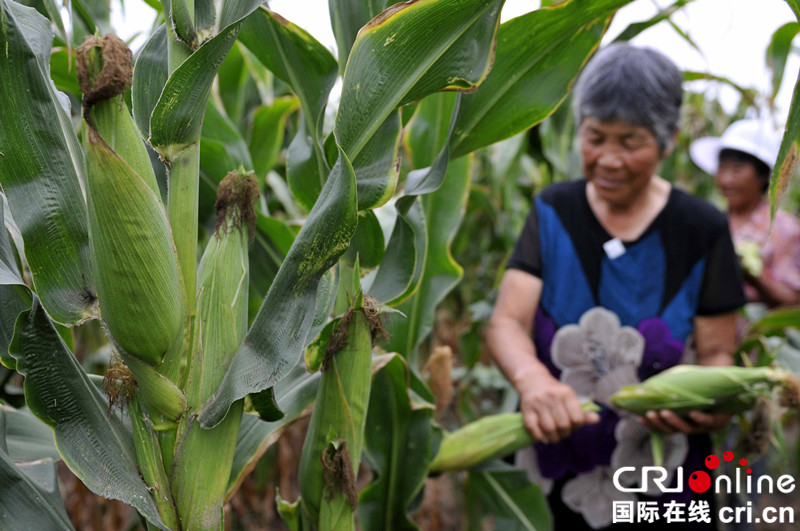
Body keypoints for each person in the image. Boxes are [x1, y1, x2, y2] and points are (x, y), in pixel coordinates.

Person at [486, 43, 746, 530]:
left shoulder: (702, 228)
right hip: (560, 466)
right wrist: (533, 381)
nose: (608, 159)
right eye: (595, 136)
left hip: (662, 473)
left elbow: (717, 353)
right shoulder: (552, 211)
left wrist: (705, 408)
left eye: (630, 142)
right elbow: (507, 321)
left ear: (667, 142)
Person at [690, 119, 800, 307]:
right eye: (722, 168)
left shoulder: (784, 229)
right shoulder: (711, 221)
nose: (726, 180)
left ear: (763, 175)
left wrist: (753, 276)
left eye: (737, 169)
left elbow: (793, 300)